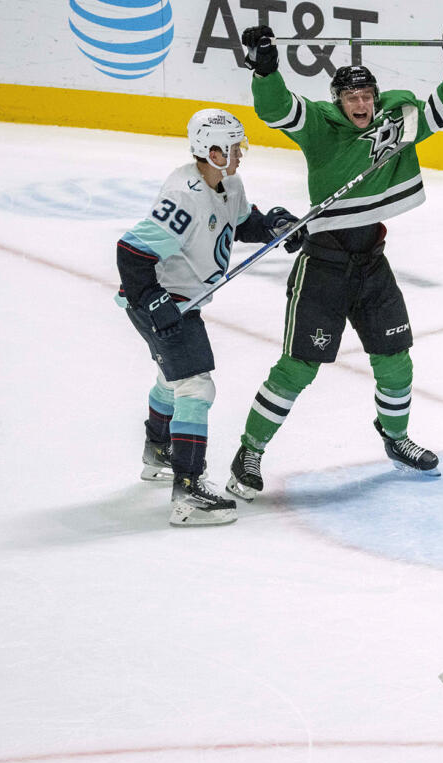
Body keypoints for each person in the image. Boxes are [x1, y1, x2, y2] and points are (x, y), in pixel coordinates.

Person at [226, 14, 443, 500]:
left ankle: (395, 436)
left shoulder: (396, 122)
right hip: (323, 264)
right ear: (337, 101)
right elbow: (277, 108)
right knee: (298, 367)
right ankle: (250, 449)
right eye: (350, 98)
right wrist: (265, 71)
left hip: (371, 261)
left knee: (396, 359)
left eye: (366, 97)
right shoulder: (320, 128)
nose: (360, 105)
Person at [116, 108, 299, 526]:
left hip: (179, 300)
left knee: (173, 379)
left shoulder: (228, 182)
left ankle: (158, 450)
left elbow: (240, 223)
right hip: (164, 301)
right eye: (234, 148)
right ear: (211, 151)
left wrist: (272, 226)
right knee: (196, 387)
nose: (240, 155)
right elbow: (130, 253)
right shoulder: (183, 195)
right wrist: (153, 299)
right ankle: (188, 492)